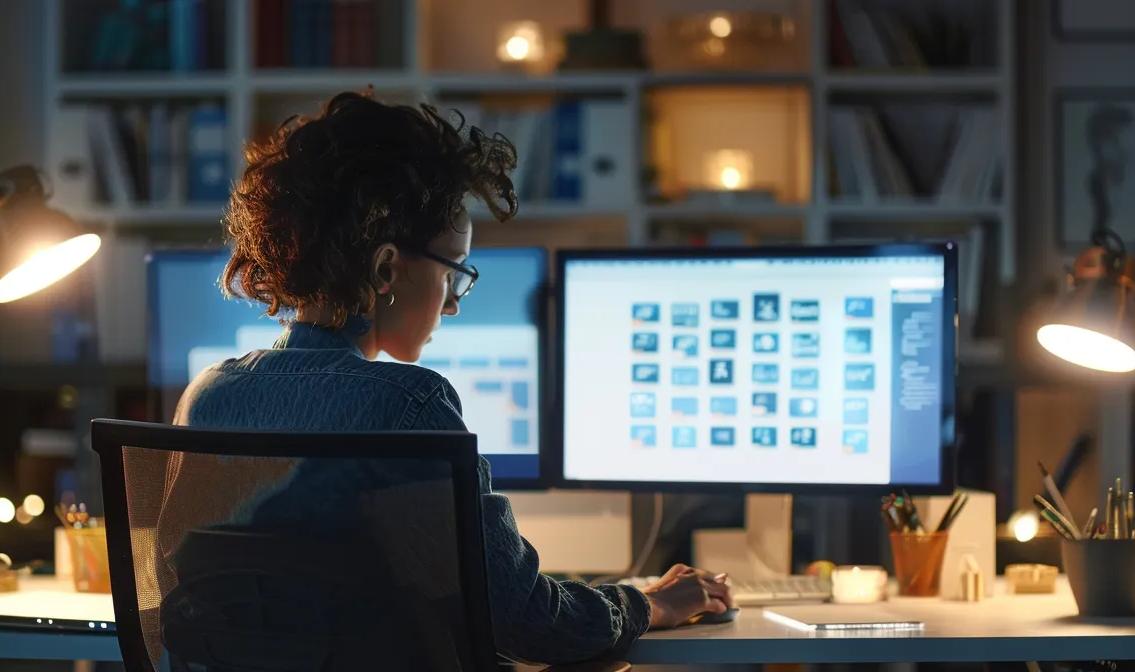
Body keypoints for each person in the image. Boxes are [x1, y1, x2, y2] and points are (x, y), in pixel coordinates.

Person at [168, 90, 732, 665]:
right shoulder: (408, 404)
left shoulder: (208, 395)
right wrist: (647, 604)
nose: (454, 305)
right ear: (388, 268)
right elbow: (526, 624)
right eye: (453, 275)